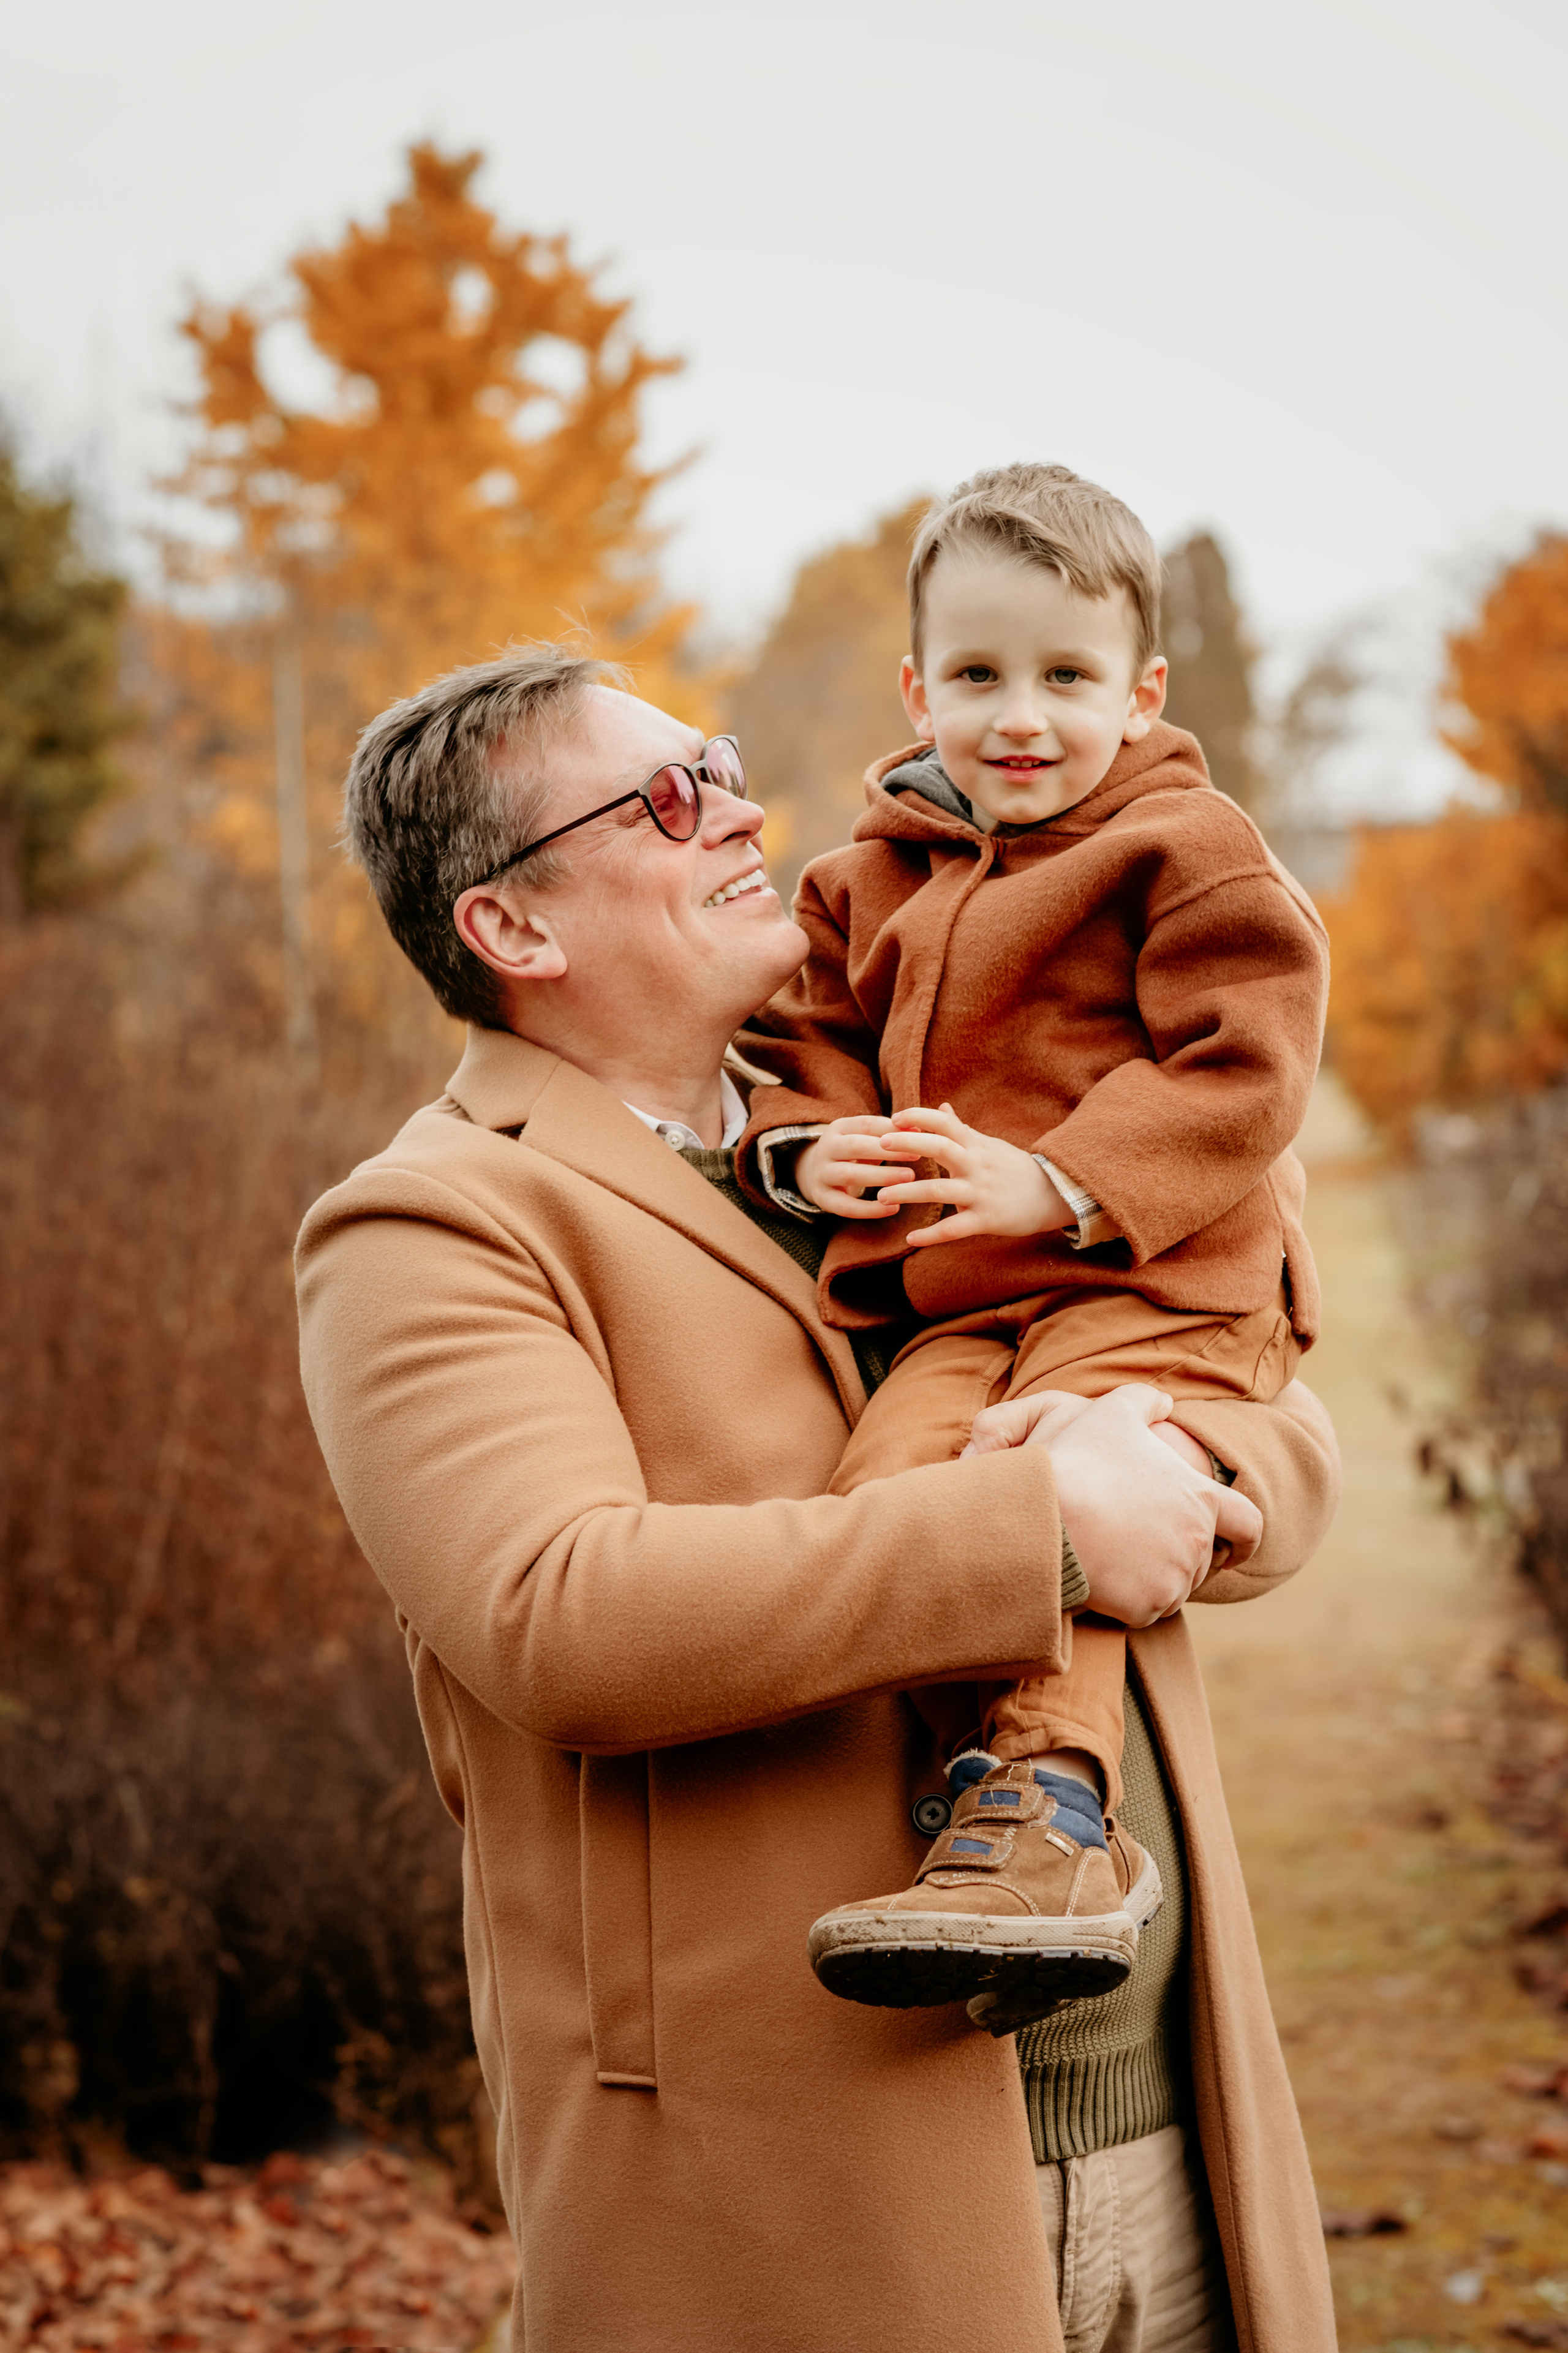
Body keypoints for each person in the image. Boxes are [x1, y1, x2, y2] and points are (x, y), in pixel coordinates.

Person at [295, 646, 1341, 2351]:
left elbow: (1252, 1367)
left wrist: (1196, 1466)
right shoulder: (432, 1226)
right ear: (514, 926)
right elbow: (562, 1617)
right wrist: (1047, 1531)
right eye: (665, 798)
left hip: (1158, 2114)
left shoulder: (908, 1118)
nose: (743, 812)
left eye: (717, 766)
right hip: (790, 2182)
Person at [731, 463, 1330, 2031]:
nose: (1020, 717)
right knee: (893, 1501)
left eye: (1066, 678)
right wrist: (812, 1146)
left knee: (1053, 1479)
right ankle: (979, 1820)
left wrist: (1057, 1183)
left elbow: (1246, 1064)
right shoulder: (859, 880)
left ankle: (1053, 1806)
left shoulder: (1182, 849)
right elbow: (797, 1047)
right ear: (916, 690)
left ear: (1139, 695)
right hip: (964, 1305)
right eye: (980, 676)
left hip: (1155, 1279)